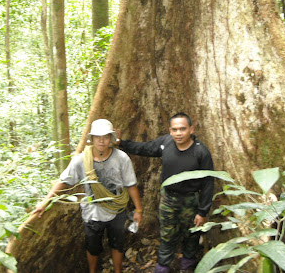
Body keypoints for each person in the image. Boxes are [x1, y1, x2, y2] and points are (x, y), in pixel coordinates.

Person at [33, 119, 143, 273]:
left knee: (117, 243)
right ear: (92, 138)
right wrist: (45, 202)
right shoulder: (81, 160)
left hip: (117, 210)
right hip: (92, 212)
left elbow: (131, 184)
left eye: (105, 137)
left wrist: (138, 210)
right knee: (92, 247)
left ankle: (117, 270)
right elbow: (64, 181)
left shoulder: (121, 158)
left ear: (111, 138)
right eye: (98, 137)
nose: (102, 141)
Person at [116, 112, 214, 273]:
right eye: (175, 129)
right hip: (168, 199)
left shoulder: (201, 151)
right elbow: (145, 148)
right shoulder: (166, 142)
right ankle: (163, 267)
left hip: (191, 200)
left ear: (191, 129)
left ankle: (187, 265)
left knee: (192, 234)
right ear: (170, 130)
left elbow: (208, 183)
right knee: (167, 235)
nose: (178, 133)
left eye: (182, 129)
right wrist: (122, 143)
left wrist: (202, 212)